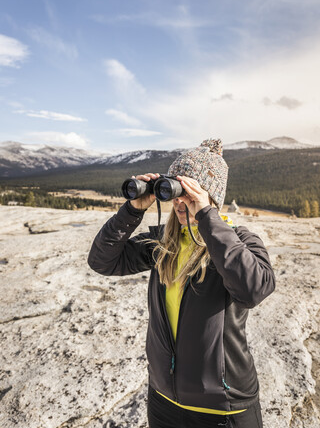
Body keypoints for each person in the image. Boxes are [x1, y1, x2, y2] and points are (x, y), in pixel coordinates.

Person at [88, 139, 275, 428]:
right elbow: (102, 260)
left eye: (187, 192)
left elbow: (254, 289)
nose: (178, 201)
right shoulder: (163, 242)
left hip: (223, 409)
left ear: (209, 196)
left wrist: (206, 217)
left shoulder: (239, 241)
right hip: (164, 400)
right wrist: (132, 211)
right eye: (173, 190)